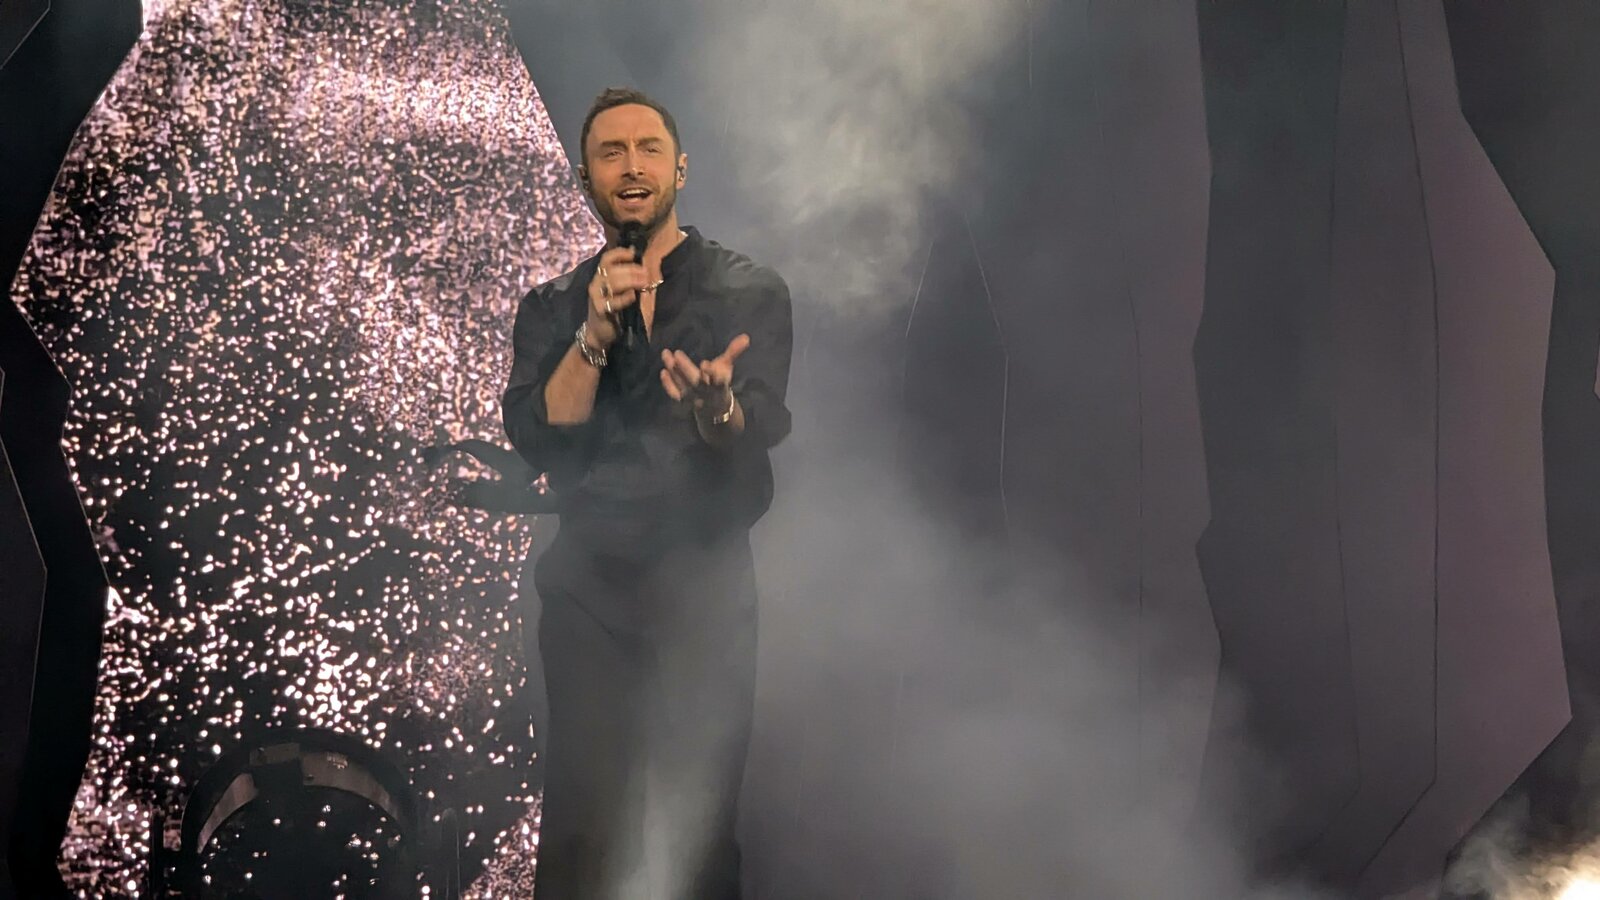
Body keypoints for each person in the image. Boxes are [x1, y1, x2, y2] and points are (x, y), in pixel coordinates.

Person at [502, 86, 792, 900]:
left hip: (704, 582)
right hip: (589, 590)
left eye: (648, 149)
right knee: (583, 828)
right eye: (611, 153)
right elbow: (541, 438)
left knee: (698, 826)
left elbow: (755, 423)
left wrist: (716, 408)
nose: (632, 167)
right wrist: (593, 337)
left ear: (679, 169)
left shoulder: (748, 290)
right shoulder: (552, 306)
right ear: (586, 180)